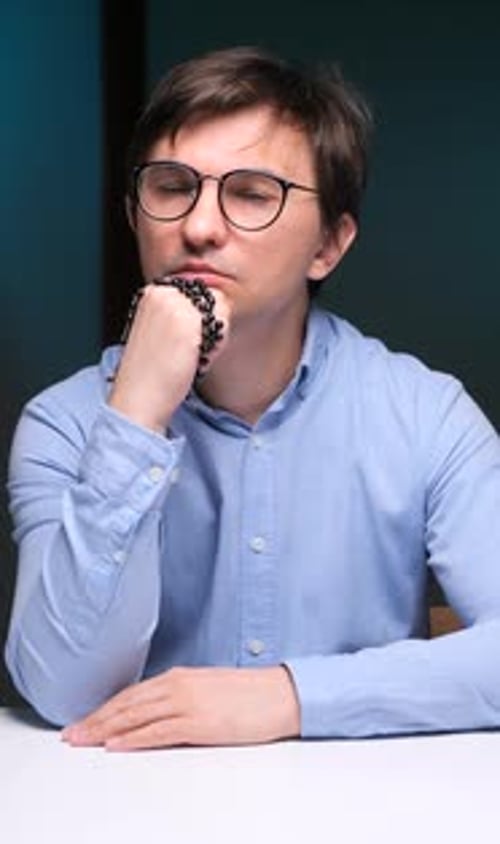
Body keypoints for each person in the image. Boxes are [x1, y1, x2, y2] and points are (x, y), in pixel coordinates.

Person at [5, 46, 500, 751]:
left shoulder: (426, 415)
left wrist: (289, 697)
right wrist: (136, 415)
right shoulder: (65, 421)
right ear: (134, 215)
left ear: (329, 244)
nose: (200, 226)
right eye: (173, 186)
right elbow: (60, 690)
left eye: (251, 194)